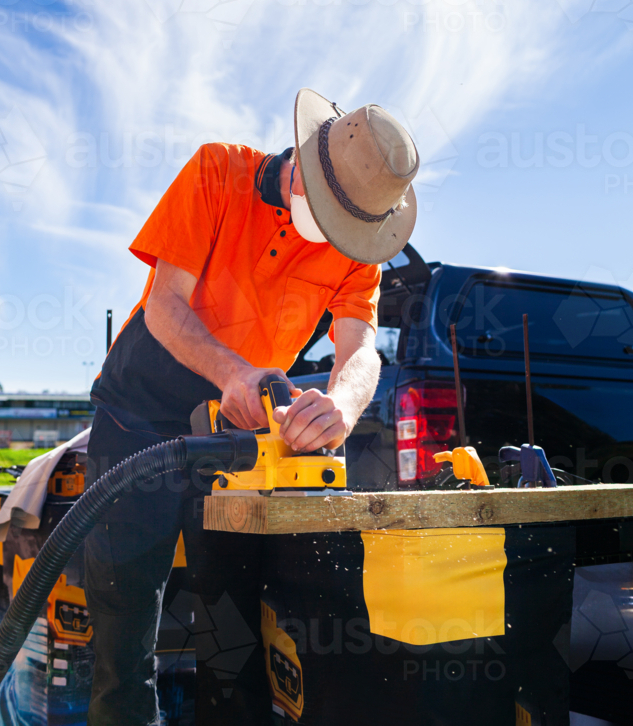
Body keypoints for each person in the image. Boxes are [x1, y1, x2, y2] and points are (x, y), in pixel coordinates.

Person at [83, 88, 419, 725]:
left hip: (235, 440)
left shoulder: (358, 244)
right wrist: (232, 373)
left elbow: (362, 352)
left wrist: (343, 406)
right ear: (303, 165)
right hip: (140, 419)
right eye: (326, 217)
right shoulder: (216, 173)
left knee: (230, 630)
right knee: (125, 628)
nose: (332, 238)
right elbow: (165, 307)